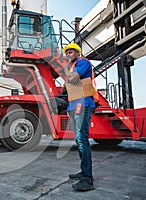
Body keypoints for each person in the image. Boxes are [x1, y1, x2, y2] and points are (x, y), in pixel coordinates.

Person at [62, 43, 95, 191]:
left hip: (83, 104)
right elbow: (66, 86)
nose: (68, 55)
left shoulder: (83, 63)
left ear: (77, 52)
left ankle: (88, 179)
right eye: (66, 53)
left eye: (70, 52)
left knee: (82, 140)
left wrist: (65, 70)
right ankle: (84, 171)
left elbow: (73, 78)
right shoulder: (72, 67)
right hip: (74, 105)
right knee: (78, 140)